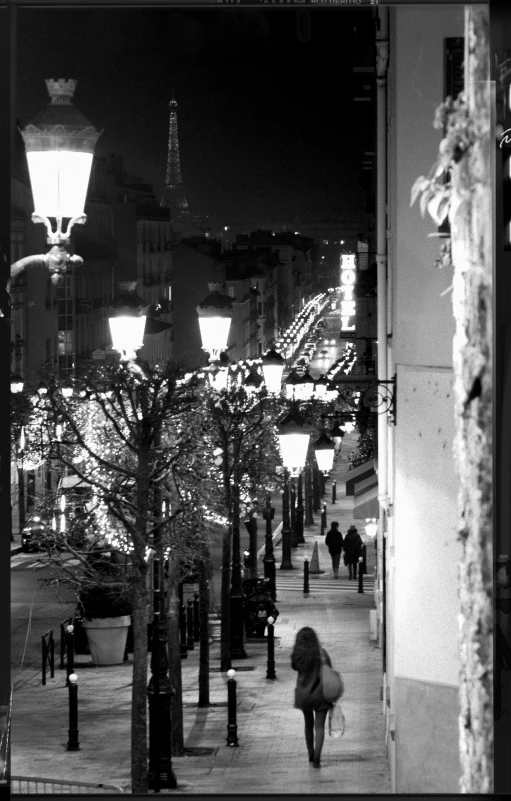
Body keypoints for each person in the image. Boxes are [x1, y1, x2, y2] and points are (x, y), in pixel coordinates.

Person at [291, 626, 333, 768]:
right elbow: (330, 671)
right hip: (320, 695)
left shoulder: (298, 656)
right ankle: (317, 758)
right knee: (319, 726)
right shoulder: (321, 654)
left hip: (304, 695)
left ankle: (310, 752)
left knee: (308, 723)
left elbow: (294, 667)